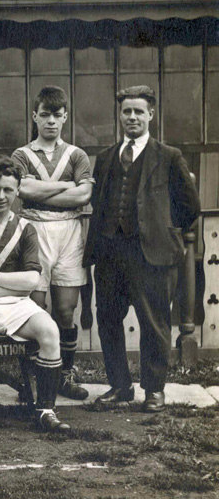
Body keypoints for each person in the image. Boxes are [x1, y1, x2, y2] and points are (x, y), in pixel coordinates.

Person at [85, 85, 200, 412]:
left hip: (152, 255)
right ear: (120, 116)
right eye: (126, 111)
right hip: (110, 254)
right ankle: (120, 386)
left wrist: (163, 231)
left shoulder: (169, 156)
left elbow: (190, 206)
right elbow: (99, 203)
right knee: (108, 319)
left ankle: (154, 390)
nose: (132, 117)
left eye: (138, 111)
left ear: (151, 114)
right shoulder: (106, 158)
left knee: (154, 322)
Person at [0, 158, 71, 439]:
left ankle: (45, 410)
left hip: (17, 304)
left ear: (18, 191)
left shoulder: (25, 227)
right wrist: (13, 287)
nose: (1, 196)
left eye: (8, 189)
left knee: (50, 330)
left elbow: (32, 281)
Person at [11, 87, 93, 400]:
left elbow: (83, 195)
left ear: (65, 117)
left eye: (57, 115)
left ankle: (63, 376)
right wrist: (65, 185)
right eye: (44, 114)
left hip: (70, 231)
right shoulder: (22, 155)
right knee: (34, 307)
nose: (51, 121)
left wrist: (42, 189)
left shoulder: (76, 154)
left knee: (66, 309)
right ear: (34, 116)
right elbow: (23, 190)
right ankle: (34, 379)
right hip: (33, 229)